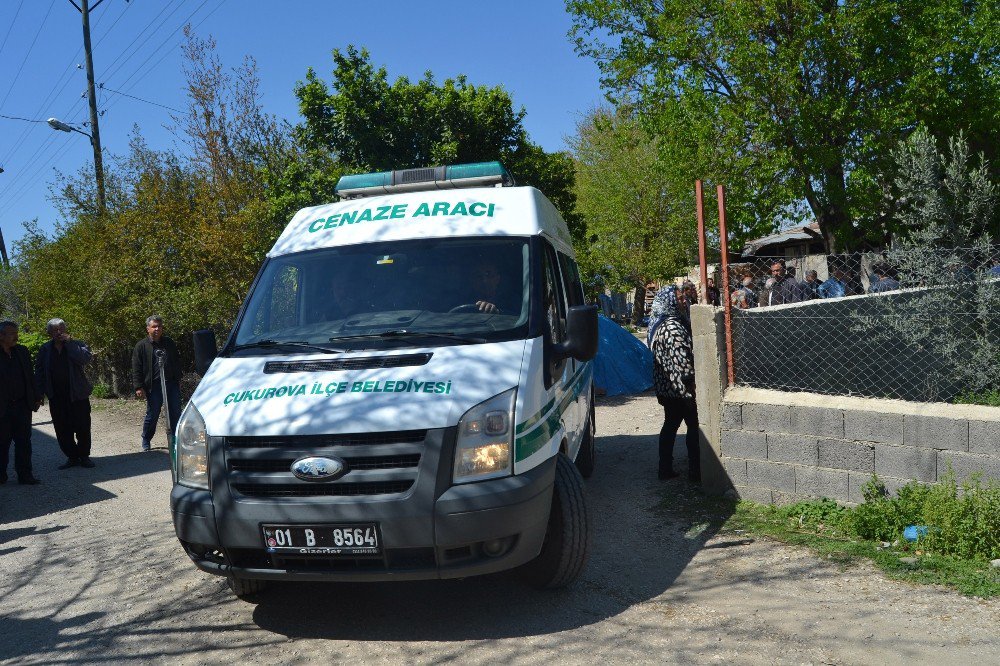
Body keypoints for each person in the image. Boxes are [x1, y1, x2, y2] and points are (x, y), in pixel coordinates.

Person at [650, 288, 700, 481]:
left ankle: (665, 469)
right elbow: (682, 360)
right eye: (679, 298)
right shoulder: (672, 327)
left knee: (670, 425)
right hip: (679, 389)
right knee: (694, 427)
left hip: (667, 387)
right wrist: (692, 383)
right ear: (669, 301)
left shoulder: (661, 323)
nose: (683, 301)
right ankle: (696, 471)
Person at [34, 318, 95, 469]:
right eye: (55, 330)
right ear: (49, 333)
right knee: (62, 429)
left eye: (61, 329)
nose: (59, 332)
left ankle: (84, 456)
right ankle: (72, 457)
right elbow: (40, 371)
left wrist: (70, 343)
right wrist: (39, 392)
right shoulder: (45, 349)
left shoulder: (77, 344)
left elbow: (85, 359)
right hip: (56, 396)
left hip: (77, 395)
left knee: (83, 426)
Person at [0, 321, 42, 485]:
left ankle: (25, 475)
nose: (16, 336)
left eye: (16, 332)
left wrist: (37, 396)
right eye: (12, 333)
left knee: (24, 441)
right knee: (2, 443)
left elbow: (30, 377)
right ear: (1, 336)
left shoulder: (22, 352)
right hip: (2, 407)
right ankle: (1, 474)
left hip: (22, 405)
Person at [132, 315, 182, 452]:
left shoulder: (169, 343)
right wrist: (138, 386)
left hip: (171, 384)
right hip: (153, 386)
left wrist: (178, 378)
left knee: (175, 412)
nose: (157, 329)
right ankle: (146, 439)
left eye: (159, 326)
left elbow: (176, 361)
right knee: (153, 413)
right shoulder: (141, 346)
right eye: (154, 326)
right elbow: (136, 367)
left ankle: (175, 440)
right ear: (148, 328)